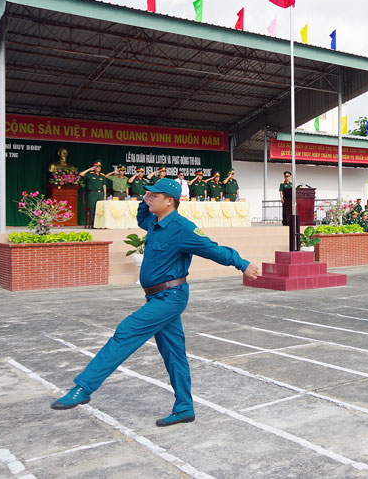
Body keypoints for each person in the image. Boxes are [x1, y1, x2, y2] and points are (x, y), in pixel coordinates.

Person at [51, 178, 259, 426]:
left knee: (126, 332)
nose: (148, 198)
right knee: (174, 354)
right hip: (157, 296)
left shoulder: (182, 228)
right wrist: (147, 195)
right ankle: (184, 407)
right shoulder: (155, 222)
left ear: (170, 201)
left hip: (170, 297)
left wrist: (243, 264)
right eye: (148, 194)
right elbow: (141, 216)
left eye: (154, 195)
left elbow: (213, 249)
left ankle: (83, 388)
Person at [79, 161, 107, 228]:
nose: (98, 168)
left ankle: (100, 224)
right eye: (97, 166)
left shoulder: (102, 176)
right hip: (93, 193)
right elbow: (81, 174)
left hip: (101, 193)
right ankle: (93, 224)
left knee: (101, 209)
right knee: (93, 208)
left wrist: (105, 195)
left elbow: (104, 185)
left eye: (99, 166)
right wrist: (89, 169)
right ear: (94, 167)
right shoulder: (90, 175)